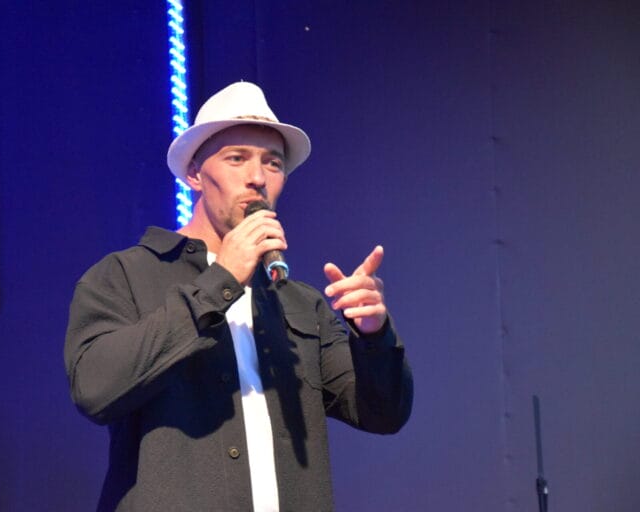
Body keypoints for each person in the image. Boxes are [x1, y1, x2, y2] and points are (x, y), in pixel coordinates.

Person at [65, 82, 413, 512]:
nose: (257, 178)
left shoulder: (299, 303)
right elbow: (94, 390)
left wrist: (374, 335)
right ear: (195, 174)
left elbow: (384, 413)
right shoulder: (125, 275)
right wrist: (220, 280)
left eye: (273, 163)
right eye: (236, 158)